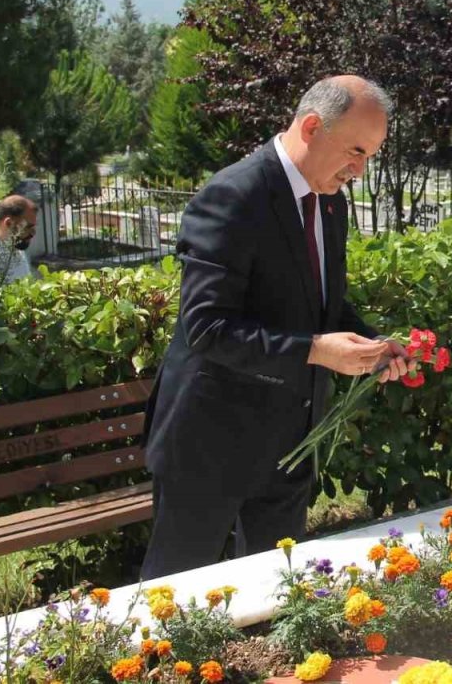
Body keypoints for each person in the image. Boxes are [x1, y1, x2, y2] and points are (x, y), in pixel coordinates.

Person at [141, 75, 409, 579]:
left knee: (273, 595)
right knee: (173, 605)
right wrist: (316, 351)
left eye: (371, 156)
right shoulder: (234, 195)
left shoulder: (329, 200)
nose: (360, 169)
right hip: (209, 445)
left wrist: (374, 345)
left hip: (288, 441)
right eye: (356, 150)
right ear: (311, 127)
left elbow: (323, 307)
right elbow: (206, 327)